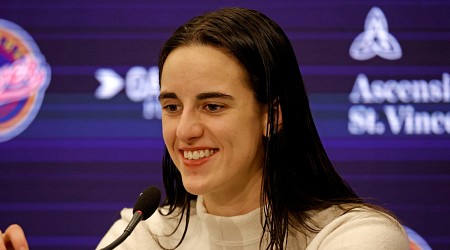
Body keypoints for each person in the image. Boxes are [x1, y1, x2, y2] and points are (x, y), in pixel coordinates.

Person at [2, 7, 409, 250]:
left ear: (274, 115)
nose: (185, 131)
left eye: (212, 106)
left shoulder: (357, 235)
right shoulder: (146, 235)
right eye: (172, 106)